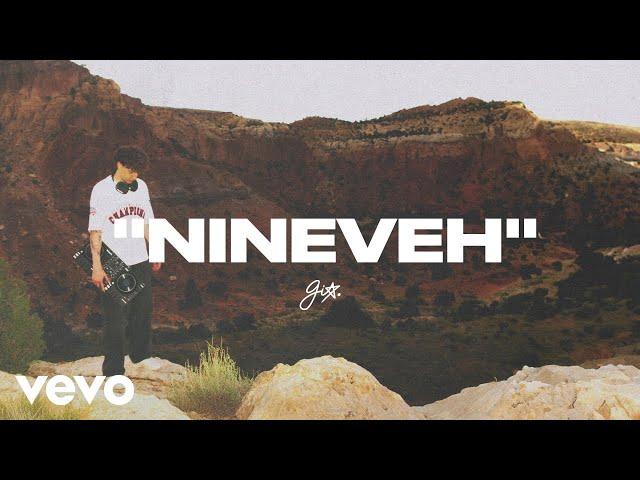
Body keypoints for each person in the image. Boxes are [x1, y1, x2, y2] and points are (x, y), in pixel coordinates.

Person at [88, 145, 162, 377]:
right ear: (119, 164)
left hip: (139, 258)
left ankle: (141, 356)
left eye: (138, 171)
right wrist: (97, 266)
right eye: (131, 170)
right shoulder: (101, 190)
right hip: (113, 261)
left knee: (143, 312)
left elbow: (147, 221)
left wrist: (156, 250)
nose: (135, 175)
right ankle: (113, 370)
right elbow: (95, 230)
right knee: (115, 319)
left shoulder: (142, 187)